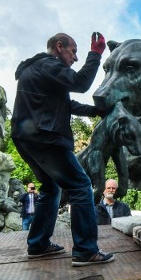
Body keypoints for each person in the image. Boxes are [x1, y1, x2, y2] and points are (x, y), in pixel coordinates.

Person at [11, 31, 115, 267]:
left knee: (51, 187)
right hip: (45, 137)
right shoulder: (48, 65)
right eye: (73, 51)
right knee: (80, 186)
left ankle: (37, 244)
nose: (75, 58)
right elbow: (80, 83)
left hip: (26, 138)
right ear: (59, 47)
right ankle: (86, 251)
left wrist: (97, 111)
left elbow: (68, 105)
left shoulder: (37, 70)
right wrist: (95, 54)